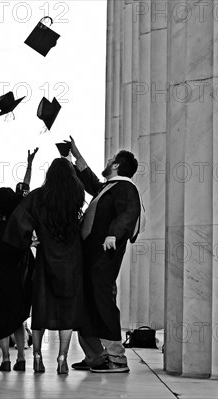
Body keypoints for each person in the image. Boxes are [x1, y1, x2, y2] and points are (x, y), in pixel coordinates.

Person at [66, 136, 141, 373]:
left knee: (102, 301)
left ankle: (116, 358)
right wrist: (76, 156)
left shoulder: (126, 188)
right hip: (91, 256)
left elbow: (128, 213)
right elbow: (89, 181)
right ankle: (96, 357)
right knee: (87, 302)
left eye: (111, 160)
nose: (108, 161)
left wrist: (114, 234)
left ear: (117, 165)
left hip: (104, 255)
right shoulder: (108, 188)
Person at [4, 158, 85, 375]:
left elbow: (17, 220)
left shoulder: (38, 197)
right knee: (67, 310)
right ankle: (62, 358)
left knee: (41, 308)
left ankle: (38, 356)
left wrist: (28, 240)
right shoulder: (77, 195)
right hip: (71, 260)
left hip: (45, 258)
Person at [0, 149, 38, 372]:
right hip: (20, 278)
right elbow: (24, 194)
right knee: (18, 319)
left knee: (1, 318)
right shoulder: (18, 227)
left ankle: (6, 359)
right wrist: (28, 165)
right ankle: (21, 359)